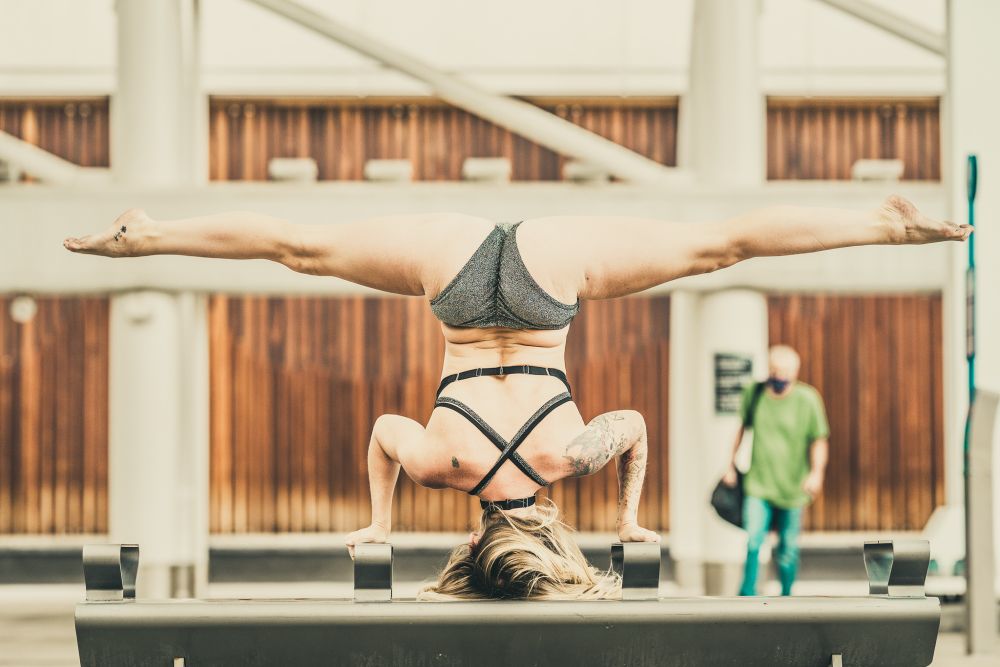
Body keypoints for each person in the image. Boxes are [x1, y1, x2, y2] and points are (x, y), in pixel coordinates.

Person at [64, 196, 970, 599]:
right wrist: (380, 518)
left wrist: (631, 512)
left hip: (547, 289)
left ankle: (879, 225)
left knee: (718, 246)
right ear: (473, 538)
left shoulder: (563, 460)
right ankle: (152, 235)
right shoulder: (441, 468)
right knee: (297, 247)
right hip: (454, 282)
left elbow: (639, 427)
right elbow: (384, 431)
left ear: (545, 526)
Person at [723, 345, 828, 596]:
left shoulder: (808, 399)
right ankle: (746, 596)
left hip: (793, 487)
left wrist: (816, 473)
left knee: (788, 549)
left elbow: (819, 440)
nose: (779, 378)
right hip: (759, 485)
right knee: (753, 542)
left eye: (785, 373)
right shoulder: (755, 393)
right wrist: (730, 464)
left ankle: (787, 597)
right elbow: (741, 429)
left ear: (795, 373)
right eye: (775, 371)